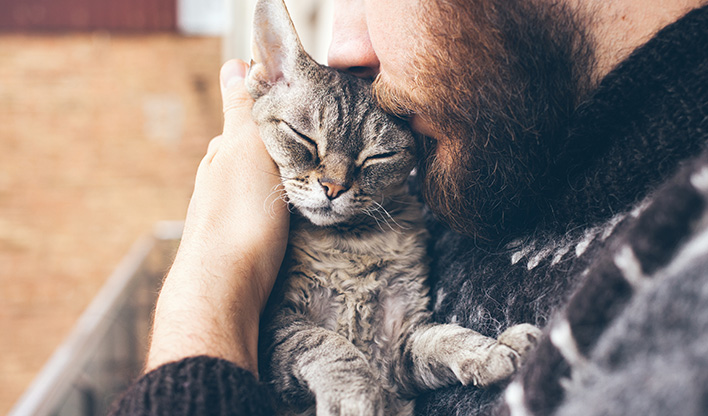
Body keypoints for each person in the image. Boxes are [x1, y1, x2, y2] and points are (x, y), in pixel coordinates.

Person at [110, 0, 708, 414]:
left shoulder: (679, 306)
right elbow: (396, 348)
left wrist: (205, 289)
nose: (345, 49)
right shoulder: (466, 156)